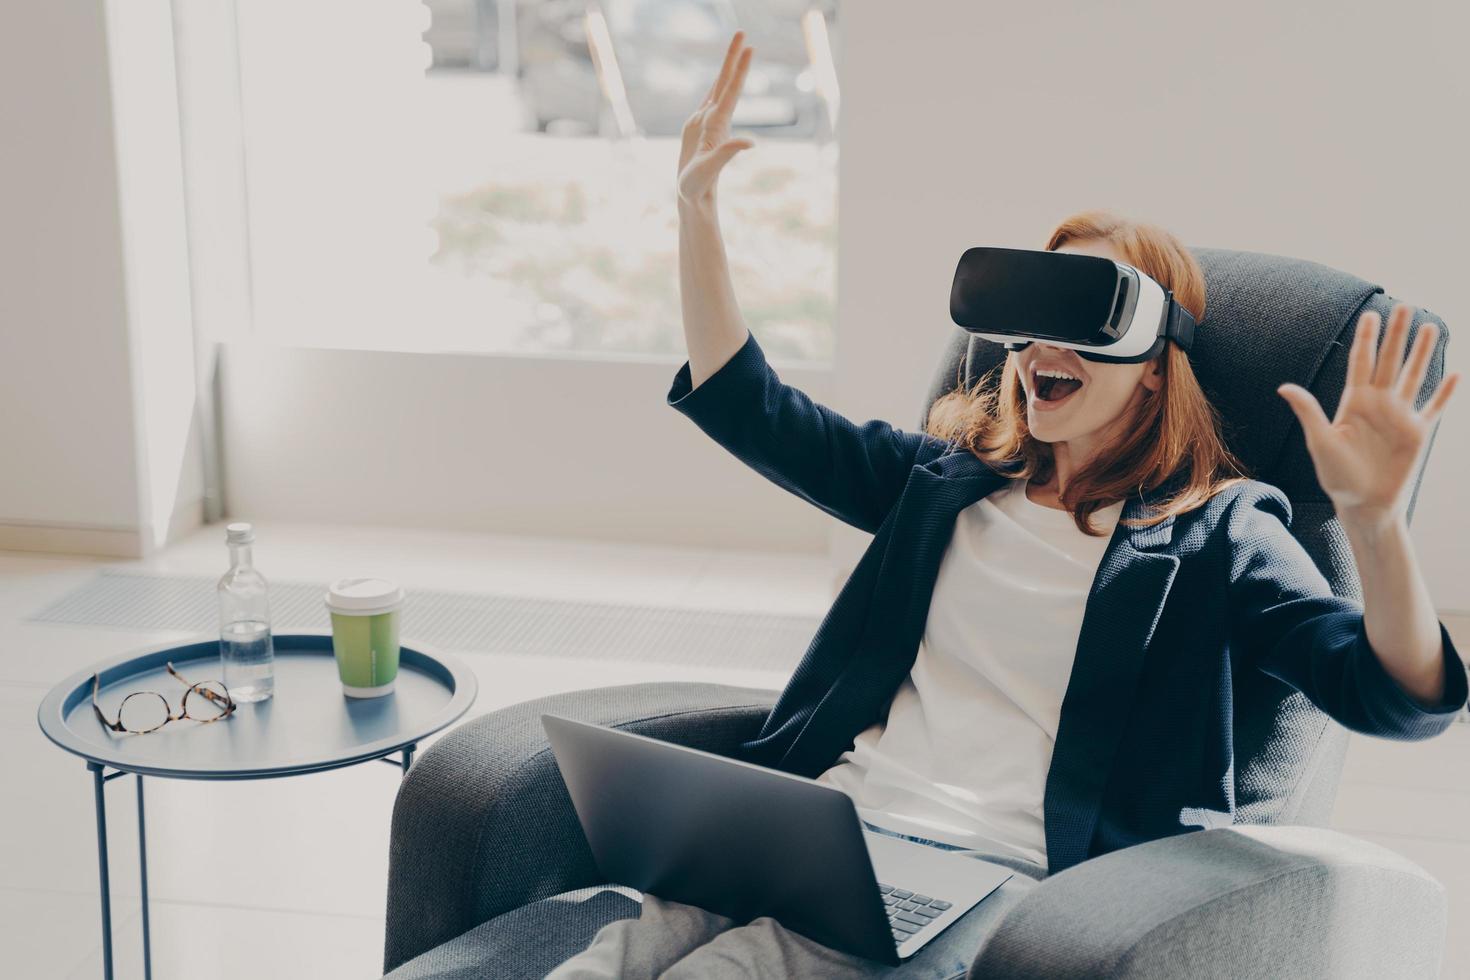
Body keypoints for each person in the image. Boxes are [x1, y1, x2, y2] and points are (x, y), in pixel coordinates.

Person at [546, 31, 1466, 980]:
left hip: (997, 880)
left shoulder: (1217, 535)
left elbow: (1390, 697)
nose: (1037, 348)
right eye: (1030, 318)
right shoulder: (940, 488)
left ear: (1154, 373)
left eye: (1083, 317)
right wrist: (697, 211)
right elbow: (751, 406)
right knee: (611, 961)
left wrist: (1378, 524)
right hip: (824, 837)